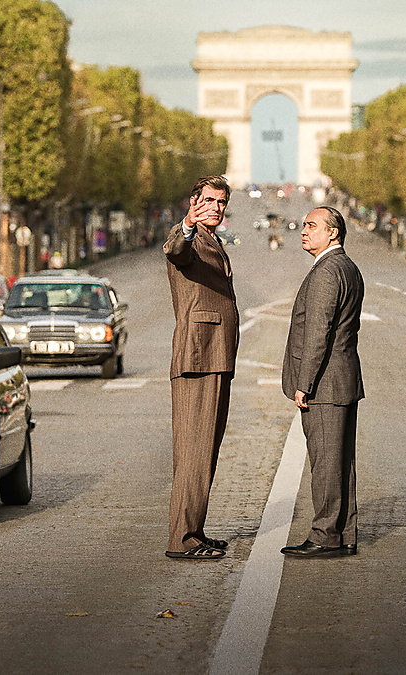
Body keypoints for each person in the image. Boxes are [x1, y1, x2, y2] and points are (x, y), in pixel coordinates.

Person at [162, 175, 239, 560]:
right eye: (209, 200)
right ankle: (183, 540)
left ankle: (195, 529)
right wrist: (188, 225)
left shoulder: (214, 239)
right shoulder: (188, 237)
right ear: (193, 202)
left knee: (203, 450)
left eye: (221, 202)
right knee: (193, 451)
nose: (216, 207)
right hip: (198, 356)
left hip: (214, 355)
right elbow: (175, 250)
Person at [280, 206, 365, 558]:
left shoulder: (326, 272)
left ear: (333, 233)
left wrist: (305, 382)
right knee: (340, 462)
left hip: (326, 384)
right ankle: (343, 533)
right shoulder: (347, 267)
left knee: (326, 463)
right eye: (303, 226)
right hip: (342, 379)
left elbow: (318, 333)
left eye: (312, 226)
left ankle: (325, 535)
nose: (304, 231)